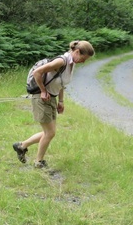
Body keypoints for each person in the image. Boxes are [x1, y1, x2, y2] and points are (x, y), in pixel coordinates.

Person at [13, 40, 95, 168]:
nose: (83, 62)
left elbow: (61, 83)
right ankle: (38, 162)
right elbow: (37, 73)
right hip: (41, 97)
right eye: (83, 58)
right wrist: (43, 91)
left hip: (51, 98)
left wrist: (61, 101)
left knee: (49, 132)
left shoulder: (70, 64)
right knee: (50, 133)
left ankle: (21, 146)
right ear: (77, 52)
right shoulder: (61, 61)